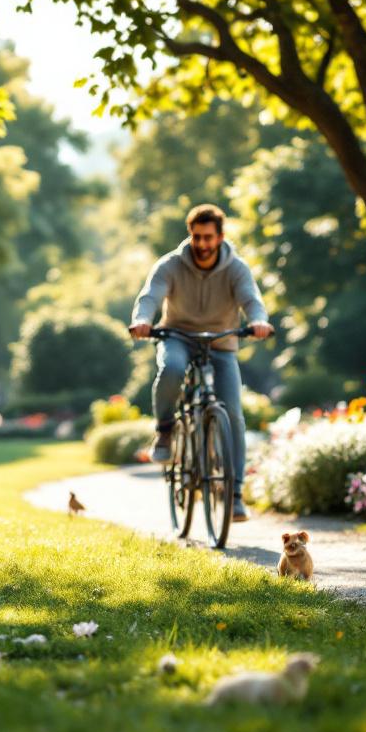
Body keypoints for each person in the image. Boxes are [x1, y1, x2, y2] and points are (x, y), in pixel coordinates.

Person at [128, 204, 274, 522]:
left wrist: (259, 321)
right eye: (197, 236)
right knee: (173, 369)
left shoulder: (237, 268)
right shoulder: (170, 264)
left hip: (222, 342)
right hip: (177, 336)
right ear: (190, 235)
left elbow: (252, 299)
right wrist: (141, 319)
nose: (202, 244)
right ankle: (165, 431)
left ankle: (234, 496)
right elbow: (151, 295)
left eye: (209, 237)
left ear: (220, 237)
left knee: (232, 412)